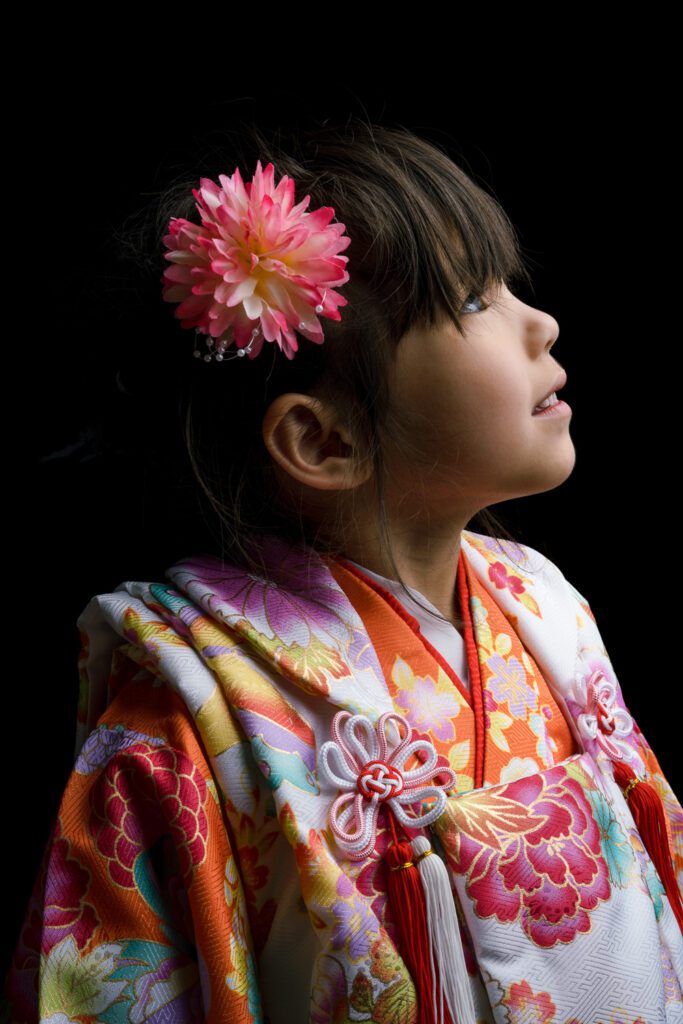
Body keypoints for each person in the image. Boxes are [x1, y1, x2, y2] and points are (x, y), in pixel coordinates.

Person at [6, 117, 683, 1024]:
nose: (541, 322)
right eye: (472, 302)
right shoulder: (185, 706)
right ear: (323, 439)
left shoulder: (544, 607)